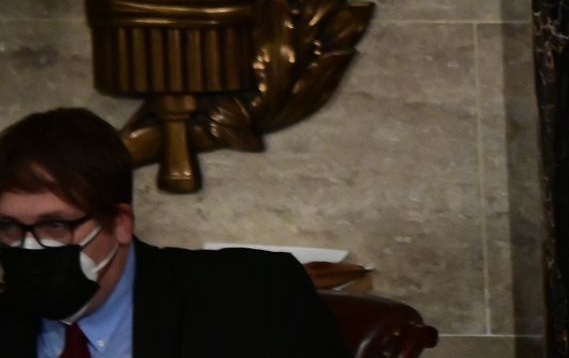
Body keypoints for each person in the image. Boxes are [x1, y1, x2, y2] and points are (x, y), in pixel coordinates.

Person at [0, 107, 348, 358]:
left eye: (55, 225)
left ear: (120, 222)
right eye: (8, 227)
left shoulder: (255, 298)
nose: (29, 246)